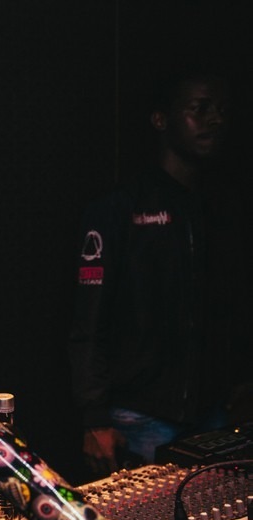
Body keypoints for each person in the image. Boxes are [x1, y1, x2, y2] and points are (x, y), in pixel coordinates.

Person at [69, 71, 239, 477]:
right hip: (139, 418)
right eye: (200, 108)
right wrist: (94, 417)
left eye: (220, 109)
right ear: (161, 119)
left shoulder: (221, 206)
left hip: (212, 412)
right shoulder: (120, 207)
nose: (215, 119)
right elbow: (88, 321)